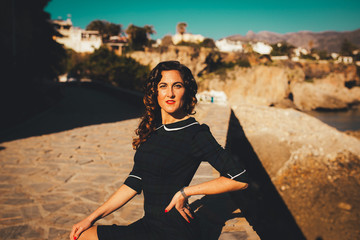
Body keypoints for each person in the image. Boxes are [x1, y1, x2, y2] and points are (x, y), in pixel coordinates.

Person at [69, 61, 248, 240]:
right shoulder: (153, 131)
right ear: (155, 91)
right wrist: (91, 218)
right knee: (83, 235)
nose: (170, 93)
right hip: (149, 225)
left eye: (177, 86)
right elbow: (133, 183)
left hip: (175, 231)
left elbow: (239, 178)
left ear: (187, 91)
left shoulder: (196, 133)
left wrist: (186, 192)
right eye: (163, 86)